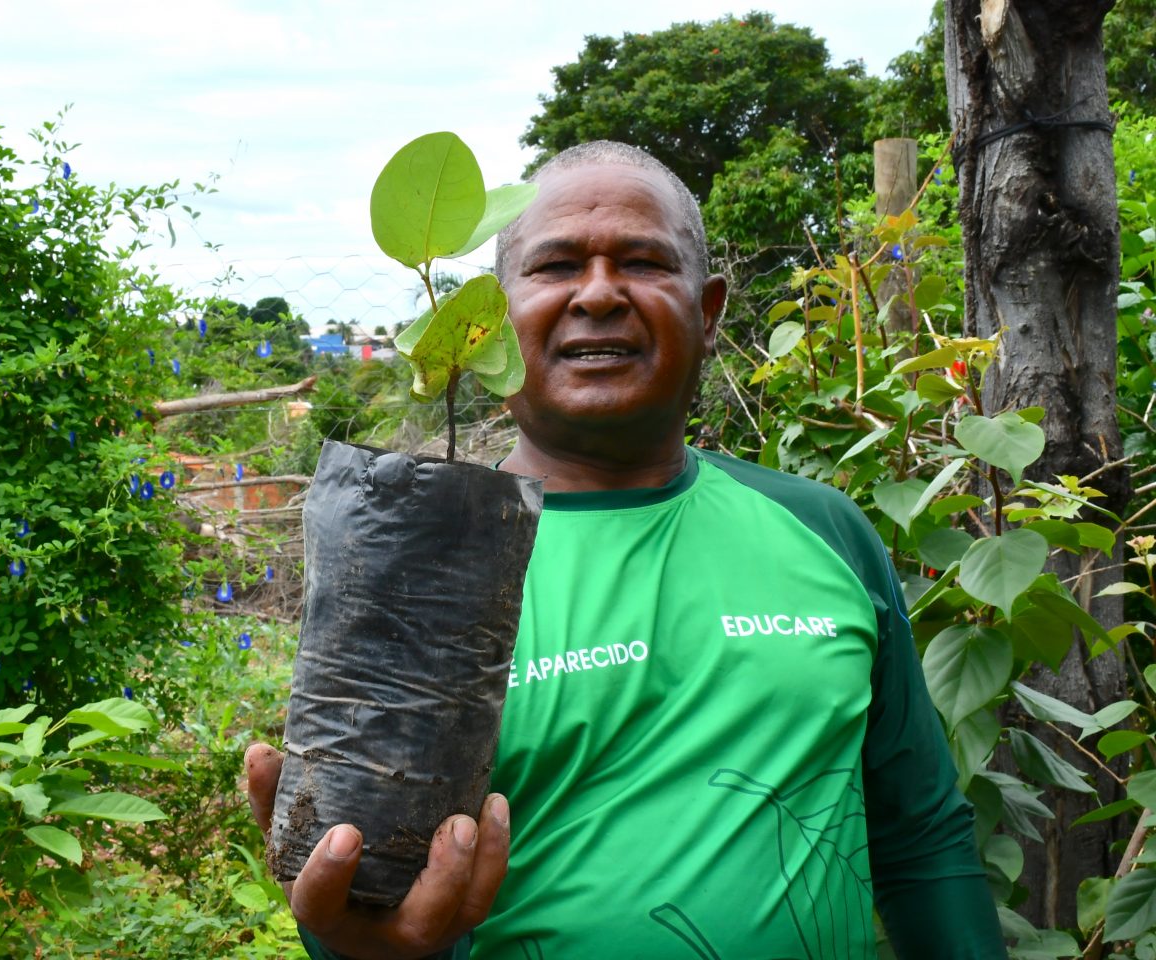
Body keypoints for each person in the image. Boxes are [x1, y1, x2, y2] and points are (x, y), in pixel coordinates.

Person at [245, 141, 1007, 959]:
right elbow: (365, 909)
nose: (600, 293)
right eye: (556, 266)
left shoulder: (822, 529)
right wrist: (354, 939)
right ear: (490, 319)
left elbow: (921, 836)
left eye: (643, 262)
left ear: (707, 310)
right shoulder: (422, 572)